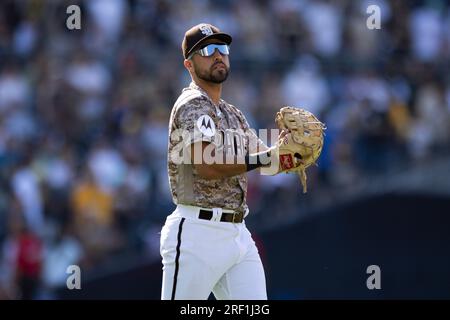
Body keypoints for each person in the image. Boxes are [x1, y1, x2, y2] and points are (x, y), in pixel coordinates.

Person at [161, 23, 296, 300]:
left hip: (238, 234)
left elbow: (267, 163)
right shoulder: (192, 104)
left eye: (222, 48)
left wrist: (291, 154)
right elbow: (206, 165)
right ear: (189, 64)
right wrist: (267, 157)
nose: (218, 55)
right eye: (208, 50)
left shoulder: (233, 114)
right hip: (197, 233)